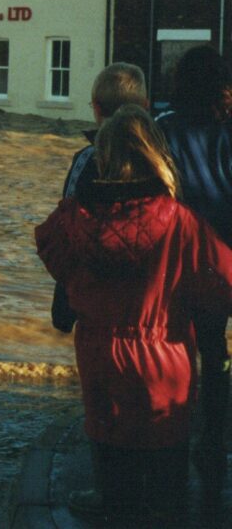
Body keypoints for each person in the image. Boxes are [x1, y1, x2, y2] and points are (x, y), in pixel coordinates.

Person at [35, 104, 232, 520]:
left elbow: (55, 257)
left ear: (102, 157)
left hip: (99, 354)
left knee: (108, 442)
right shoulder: (181, 222)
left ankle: (109, 500)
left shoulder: (73, 220)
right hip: (165, 358)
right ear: (156, 155)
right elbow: (220, 282)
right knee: (168, 475)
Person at [156, 45, 232, 482]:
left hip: (185, 257)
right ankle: (214, 444)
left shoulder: (164, 128)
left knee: (185, 348)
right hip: (228, 256)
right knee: (217, 352)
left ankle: (178, 437)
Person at [52, 63, 148, 333]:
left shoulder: (85, 160)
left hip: (96, 311)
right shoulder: (160, 159)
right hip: (151, 309)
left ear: (95, 107)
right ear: (146, 105)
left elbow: (68, 231)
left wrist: (62, 310)